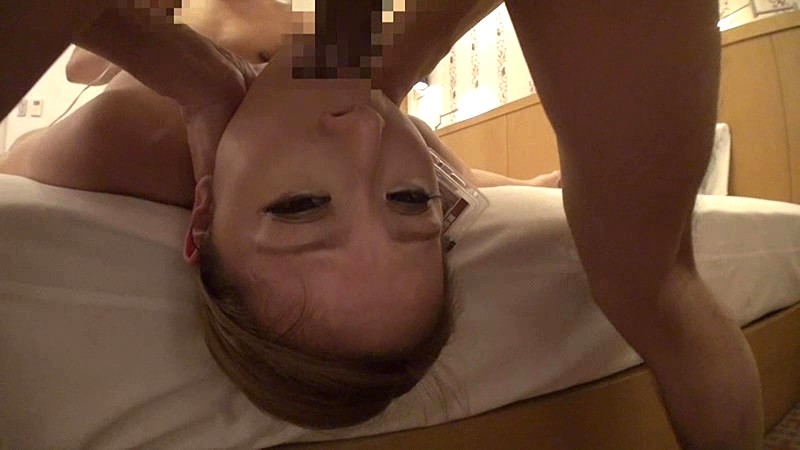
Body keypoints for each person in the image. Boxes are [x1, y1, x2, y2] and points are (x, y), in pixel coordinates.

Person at [0, 0, 762, 447]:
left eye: (301, 206)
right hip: (324, 43)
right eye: (408, 201)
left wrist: (185, 70)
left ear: (203, 215)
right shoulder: (381, 134)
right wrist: (399, 70)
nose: (366, 137)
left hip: (210, 42)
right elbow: (449, 171)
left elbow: (18, 160)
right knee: (647, 279)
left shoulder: (133, 141)